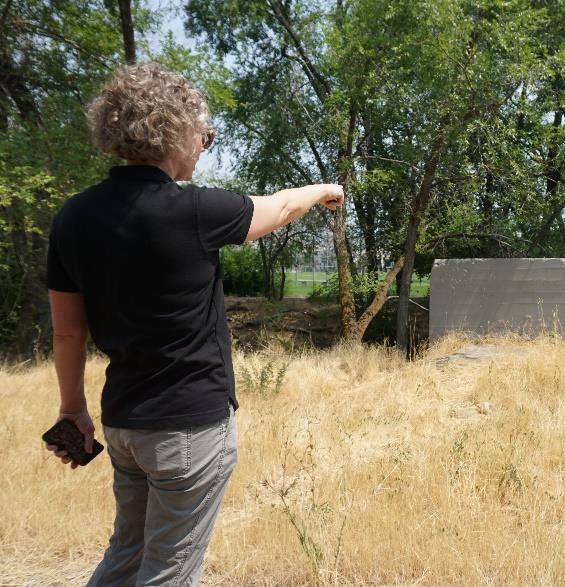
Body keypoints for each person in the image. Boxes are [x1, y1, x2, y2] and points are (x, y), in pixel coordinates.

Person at [43, 63, 343, 586]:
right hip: (189, 429)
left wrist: (73, 409)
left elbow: (68, 331)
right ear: (174, 131)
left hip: (123, 427)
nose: (205, 145)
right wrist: (324, 188)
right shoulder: (198, 209)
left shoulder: (73, 217)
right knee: (168, 573)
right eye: (204, 133)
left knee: (126, 557)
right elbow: (280, 207)